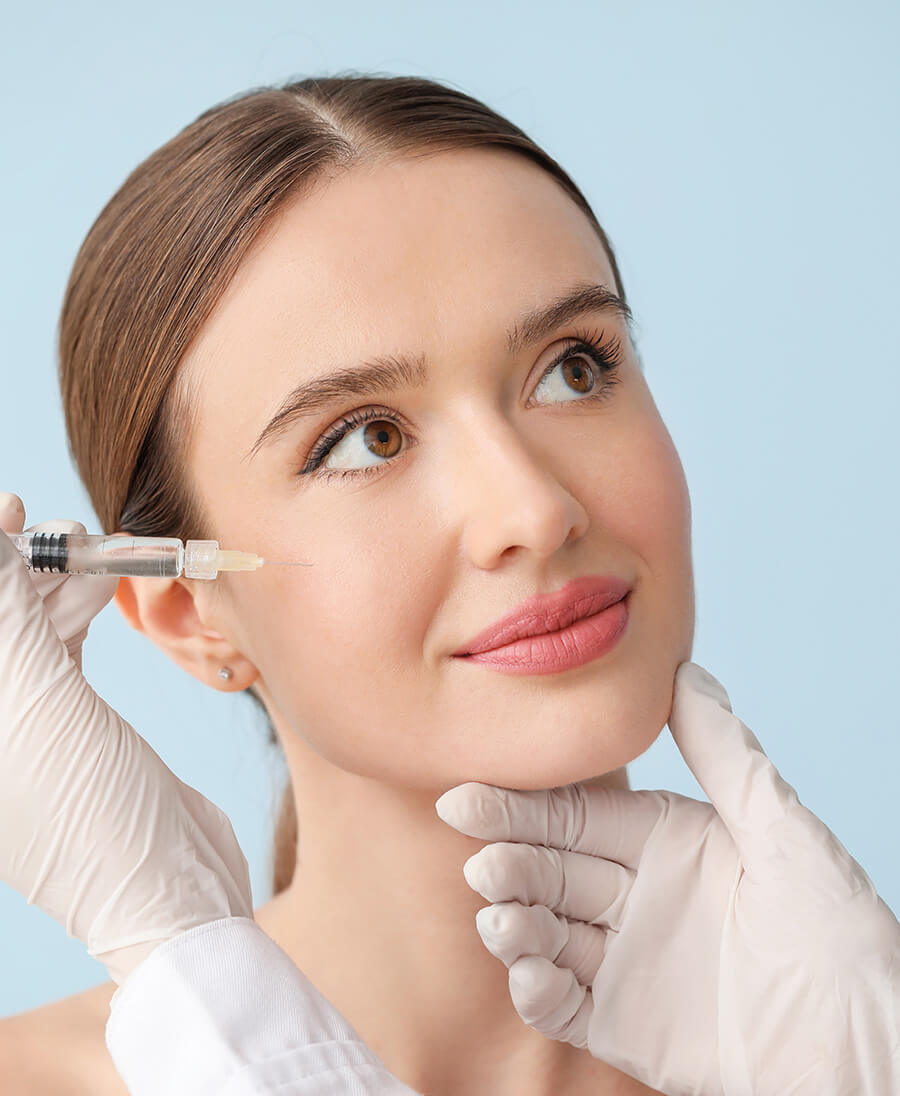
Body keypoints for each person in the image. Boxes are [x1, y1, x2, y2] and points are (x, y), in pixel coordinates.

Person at [1, 74, 896, 1095]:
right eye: (366, 438)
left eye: (575, 367)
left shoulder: (841, 1035)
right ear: (185, 607)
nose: (534, 510)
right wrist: (184, 953)